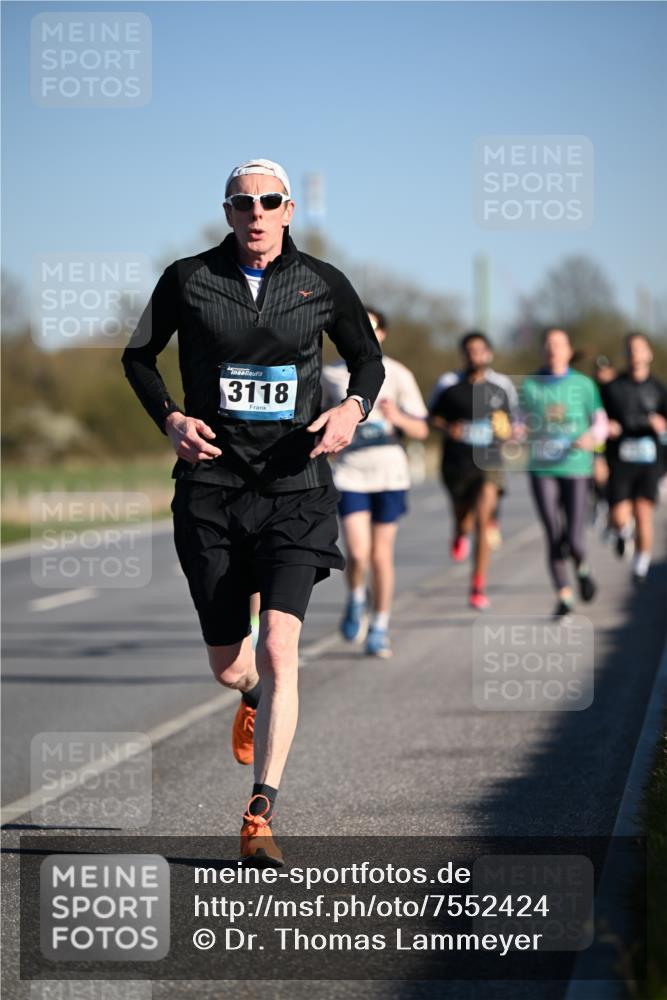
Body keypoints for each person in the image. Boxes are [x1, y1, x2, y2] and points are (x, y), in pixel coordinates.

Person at [121, 159, 384, 863]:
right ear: (228, 210)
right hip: (210, 491)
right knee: (232, 664)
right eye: (244, 203)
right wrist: (171, 419)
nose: (257, 213)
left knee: (279, 650)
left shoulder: (323, 284)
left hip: (295, 490)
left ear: (289, 208)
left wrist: (352, 411)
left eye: (269, 202)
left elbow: (368, 362)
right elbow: (138, 357)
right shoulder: (186, 278)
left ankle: (259, 813)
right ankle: (247, 697)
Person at [321, 307, 429, 657]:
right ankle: (355, 598)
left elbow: (422, 429)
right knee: (357, 553)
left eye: (372, 328)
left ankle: (380, 626)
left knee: (381, 557)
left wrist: (398, 417)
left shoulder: (398, 374)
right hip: (351, 472)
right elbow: (317, 419)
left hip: (389, 473)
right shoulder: (330, 375)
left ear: (382, 333)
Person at [520, 327, 608, 617]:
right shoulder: (531, 385)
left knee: (574, 537)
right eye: (547, 344)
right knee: (553, 533)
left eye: (558, 344)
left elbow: (601, 423)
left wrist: (592, 440)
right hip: (542, 468)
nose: (552, 348)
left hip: (575, 467)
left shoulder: (584, 385)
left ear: (569, 351)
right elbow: (519, 422)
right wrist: (514, 431)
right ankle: (564, 596)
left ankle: (582, 568)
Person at [429, 332, 516, 610]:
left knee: (482, 519)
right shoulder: (449, 384)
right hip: (456, 463)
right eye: (469, 351)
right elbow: (432, 417)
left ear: (488, 354)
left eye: (480, 351)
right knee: (464, 518)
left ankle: (478, 585)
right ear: (463, 354)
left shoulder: (501, 386)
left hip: (489, 462)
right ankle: (459, 531)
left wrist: (508, 431)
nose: (475, 356)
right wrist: (449, 428)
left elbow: (513, 421)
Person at [600, 332, 667, 582]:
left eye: (640, 349)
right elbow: (598, 420)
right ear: (625, 355)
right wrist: (609, 427)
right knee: (619, 516)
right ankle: (623, 533)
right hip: (621, 459)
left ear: (648, 354)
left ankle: (641, 565)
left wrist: (662, 426)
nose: (635, 354)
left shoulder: (659, 389)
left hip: (650, 460)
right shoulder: (612, 388)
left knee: (643, 512)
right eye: (630, 349)